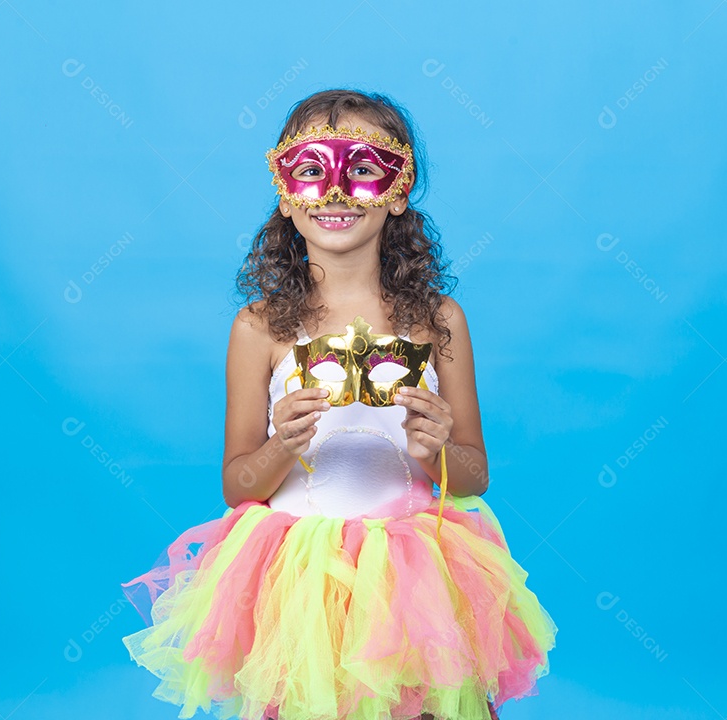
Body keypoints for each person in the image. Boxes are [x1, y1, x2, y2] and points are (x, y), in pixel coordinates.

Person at [120, 88, 557, 720]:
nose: (335, 193)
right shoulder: (260, 329)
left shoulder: (438, 322)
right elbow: (237, 485)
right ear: (286, 195)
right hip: (298, 575)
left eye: (361, 170)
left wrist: (437, 449)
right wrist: (281, 445)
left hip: (415, 576)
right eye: (310, 171)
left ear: (398, 192)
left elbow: (474, 475)